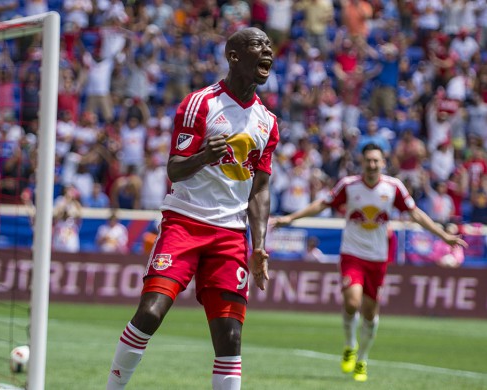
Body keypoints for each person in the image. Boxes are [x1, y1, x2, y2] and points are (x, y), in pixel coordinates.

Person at [106, 27, 279, 390]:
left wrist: (259, 244)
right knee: (150, 313)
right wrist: (204, 156)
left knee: (230, 340)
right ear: (234, 56)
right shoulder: (200, 104)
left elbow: (259, 189)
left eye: (268, 45)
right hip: (185, 223)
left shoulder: (268, 122)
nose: (267, 51)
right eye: (257, 45)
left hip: (230, 235)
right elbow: (174, 168)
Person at [270, 143, 467, 382]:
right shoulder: (349, 186)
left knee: (370, 314)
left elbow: (415, 213)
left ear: (383, 163)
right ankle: (350, 344)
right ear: (362, 163)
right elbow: (322, 204)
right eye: (368, 161)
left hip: (378, 257)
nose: (372, 165)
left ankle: (362, 359)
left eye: (376, 161)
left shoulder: (393, 187)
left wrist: (444, 235)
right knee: (352, 302)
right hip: (352, 253)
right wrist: (290, 217)